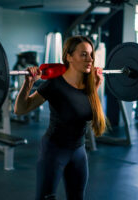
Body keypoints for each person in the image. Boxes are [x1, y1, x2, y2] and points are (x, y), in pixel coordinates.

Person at [14, 35, 106, 200]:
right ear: (69, 57)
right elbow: (21, 109)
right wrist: (27, 84)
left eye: (91, 54)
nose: (90, 59)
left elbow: (93, 116)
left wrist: (96, 87)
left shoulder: (90, 84)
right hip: (54, 151)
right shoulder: (54, 84)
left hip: (79, 152)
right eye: (83, 54)